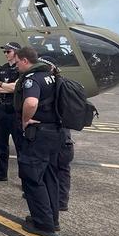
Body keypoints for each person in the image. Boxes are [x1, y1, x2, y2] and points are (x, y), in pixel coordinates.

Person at [13, 47, 64, 236]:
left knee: (33, 178)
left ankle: (43, 225)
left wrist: (26, 120)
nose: (16, 65)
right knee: (50, 176)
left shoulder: (32, 79)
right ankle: (53, 220)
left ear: (25, 60)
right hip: (55, 133)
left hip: (39, 134)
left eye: (17, 62)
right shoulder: (52, 75)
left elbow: (31, 102)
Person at [38, 55, 74, 212]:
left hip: (56, 130)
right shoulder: (64, 84)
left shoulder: (53, 85)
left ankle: (59, 201)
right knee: (58, 168)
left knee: (57, 167)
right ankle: (58, 200)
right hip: (63, 132)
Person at [0, 42, 22, 182]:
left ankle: (25, 178)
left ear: (16, 53)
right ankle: (1, 172)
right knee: (0, 143)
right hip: (2, 111)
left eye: (9, 51)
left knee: (21, 147)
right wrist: (4, 86)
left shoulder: (21, 70)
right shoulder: (1, 69)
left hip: (15, 112)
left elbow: (16, 88)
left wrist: (1, 85)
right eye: (5, 52)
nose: (6, 54)